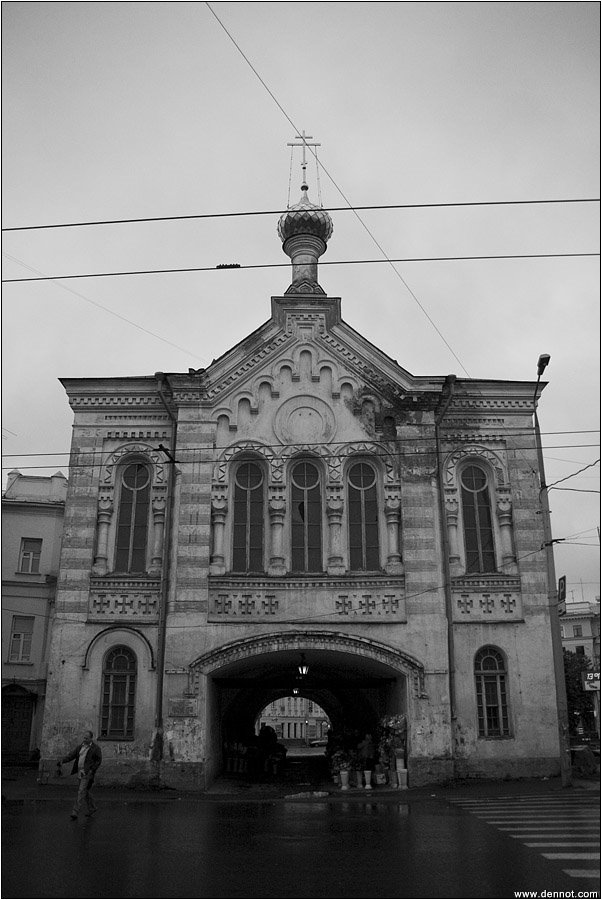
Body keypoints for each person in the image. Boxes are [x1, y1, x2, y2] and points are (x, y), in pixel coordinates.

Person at [59, 730, 102, 820]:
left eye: (86, 738)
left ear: (91, 738)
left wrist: (92, 770)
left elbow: (98, 761)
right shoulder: (80, 747)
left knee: (81, 791)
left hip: (87, 773)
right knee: (85, 791)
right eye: (84, 738)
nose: (84, 739)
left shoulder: (95, 749)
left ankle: (75, 812)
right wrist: (63, 760)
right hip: (80, 772)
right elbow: (72, 755)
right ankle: (93, 808)